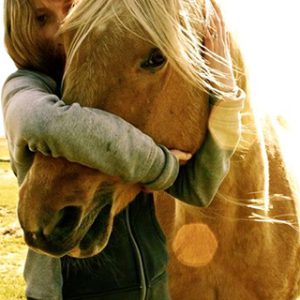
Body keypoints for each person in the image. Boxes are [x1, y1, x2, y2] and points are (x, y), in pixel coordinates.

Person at [2, 0, 245, 299]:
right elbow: (43, 123)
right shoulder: (25, 87)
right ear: (21, 30)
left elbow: (197, 189)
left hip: (152, 287)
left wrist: (226, 95)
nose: (65, 22)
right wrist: (160, 165)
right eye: (43, 18)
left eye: (70, 6)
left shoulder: (106, 72)